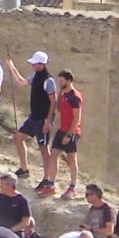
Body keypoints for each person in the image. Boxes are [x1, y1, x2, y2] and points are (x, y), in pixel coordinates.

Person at [5, 51, 56, 183]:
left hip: (42, 119)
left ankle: (47, 177)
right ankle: (24, 168)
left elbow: (53, 102)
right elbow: (21, 82)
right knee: (18, 137)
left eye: (35, 63)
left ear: (42, 64)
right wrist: (12, 67)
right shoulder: (35, 76)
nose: (33, 65)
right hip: (34, 117)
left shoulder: (48, 81)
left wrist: (48, 121)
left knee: (44, 148)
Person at [45, 69, 83, 199]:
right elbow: (60, 110)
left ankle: (72, 187)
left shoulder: (75, 96)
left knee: (71, 159)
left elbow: (77, 117)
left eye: (62, 81)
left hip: (71, 131)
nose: (59, 83)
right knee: (53, 154)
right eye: (59, 80)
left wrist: (69, 135)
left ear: (69, 80)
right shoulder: (63, 94)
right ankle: (51, 185)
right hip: (62, 129)